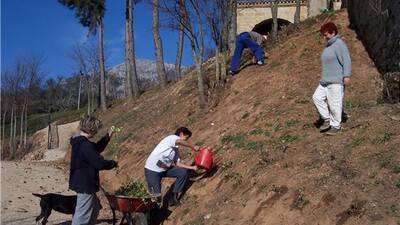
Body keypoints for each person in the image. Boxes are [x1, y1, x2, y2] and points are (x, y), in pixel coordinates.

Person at [69, 116, 118, 225]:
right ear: (92, 130)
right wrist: (113, 163)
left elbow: (96, 148)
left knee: (95, 208)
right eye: (96, 130)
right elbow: (99, 163)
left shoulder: (78, 140)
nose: (96, 133)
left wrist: (108, 136)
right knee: (82, 215)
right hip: (85, 184)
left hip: (81, 181)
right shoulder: (85, 145)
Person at [312, 22, 351, 135]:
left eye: (326, 35)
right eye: (323, 35)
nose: (324, 37)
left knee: (334, 104)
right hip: (325, 81)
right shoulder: (328, 46)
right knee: (317, 98)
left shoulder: (339, 44)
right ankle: (327, 118)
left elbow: (346, 60)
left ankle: (336, 126)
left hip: (336, 81)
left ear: (333, 32)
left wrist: (346, 75)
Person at [144, 127, 198, 206]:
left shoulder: (175, 150)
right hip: (152, 171)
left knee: (182, 172)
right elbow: (179, 141)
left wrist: (192, 168)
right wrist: (192, 147)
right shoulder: (172, 138)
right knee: (156, 196)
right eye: (186, 138)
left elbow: (177, 163)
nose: (185, 140)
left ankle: (173, 197)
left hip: (164, 170)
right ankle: (154, 213)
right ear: (181, 134)